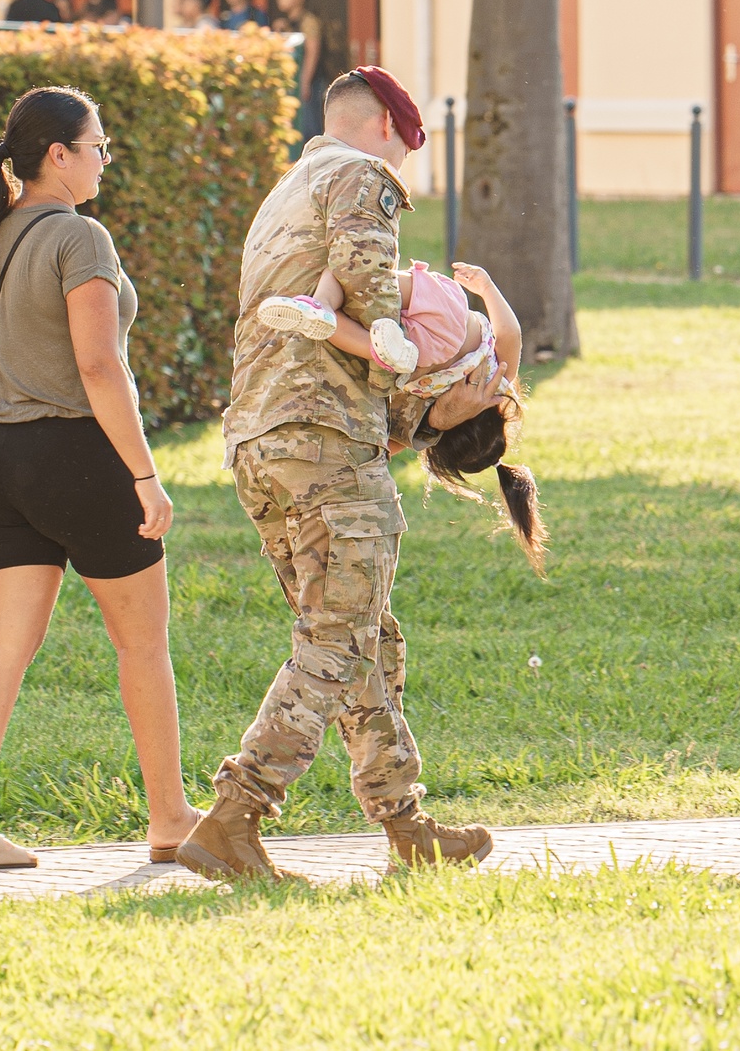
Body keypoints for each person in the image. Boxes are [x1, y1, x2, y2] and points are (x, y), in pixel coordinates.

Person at [176, 66, 499, 881]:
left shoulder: (284, 193)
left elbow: (314, 340)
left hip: (263, 441)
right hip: (322, 440)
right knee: (336, 635)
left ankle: (405, 825)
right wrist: (412, 358)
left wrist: (425, 419)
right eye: (409, 150)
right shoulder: (361, 176)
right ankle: (234, 815)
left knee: (364, 637)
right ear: (388, 128)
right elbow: (365, 278)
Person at [0, 85, 199, 870]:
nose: (105, 159)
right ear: (59, 155)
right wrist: (145, 476)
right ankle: (171, 818)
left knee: (1, 650)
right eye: (98, 146)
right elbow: (97, 363)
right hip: (79, 460)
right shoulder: (81, 239)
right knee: (142, 644)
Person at [257, 257, 548, 574]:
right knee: (364, 344)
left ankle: (324, 302)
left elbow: (511, 332)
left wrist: (486, 287)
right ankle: (338, 323)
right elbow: (379, 450)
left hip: (445, 319)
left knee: (364, 275)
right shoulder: (431, 421)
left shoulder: (500, 384)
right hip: (414, 360)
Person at [272, 0, 324, 143]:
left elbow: (312, 52)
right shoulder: (286, 22)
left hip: (309, 83)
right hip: (295, 83)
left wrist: (305, 82)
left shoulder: (308, 21)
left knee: (308, 127)